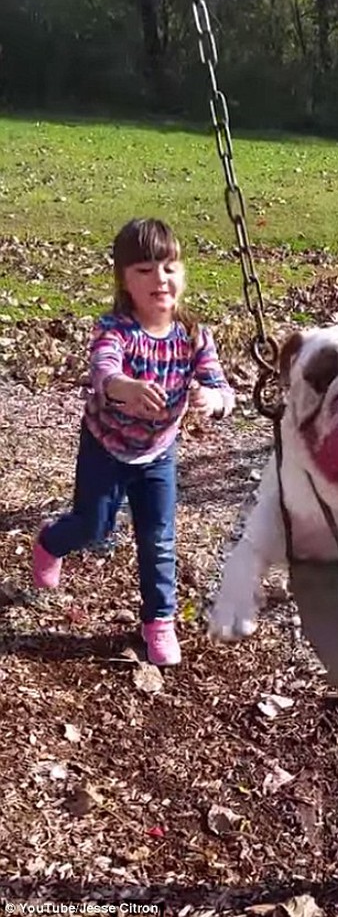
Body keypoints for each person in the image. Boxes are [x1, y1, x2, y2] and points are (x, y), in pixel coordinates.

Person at [32, 218, 235, 667]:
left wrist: (213, 399)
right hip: (106, 446)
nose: (159, 279)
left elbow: (224, 389)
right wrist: (123, 387)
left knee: (159, 538)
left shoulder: (194, 336)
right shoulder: (116, 329)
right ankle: (50, 541)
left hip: (158, 453)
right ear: (125, 281)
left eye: (168, 267)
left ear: (182, 272)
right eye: (144, 270)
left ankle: (158, 620)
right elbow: (104, 370)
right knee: (95, 527)